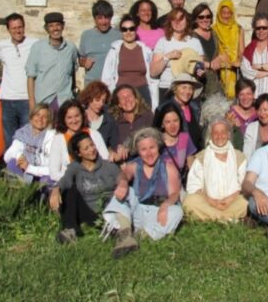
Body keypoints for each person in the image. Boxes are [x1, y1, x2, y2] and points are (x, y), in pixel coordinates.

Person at [103, 128, 183, 257]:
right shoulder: (134, 165)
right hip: (139, 210)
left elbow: (175, 194)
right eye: (143, 149)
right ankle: (125, 235)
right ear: (138, 152)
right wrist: (123, 183)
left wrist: (166, 205)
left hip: (157, 213)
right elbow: (123, 175)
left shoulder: (168, 167)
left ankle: (143, 235)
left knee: (177, 211)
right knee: (123, 193)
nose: (149, 153)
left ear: (158, 147)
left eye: (152, 147)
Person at [50, 131, 121, 244]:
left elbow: (123, 182)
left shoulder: (109, 166)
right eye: (86, 148)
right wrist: (56, 189)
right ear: (79, 153)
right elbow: (66, 180)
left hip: (108, 211)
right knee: (69, 191)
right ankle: (70, 230)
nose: (91, 149)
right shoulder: (75, 168)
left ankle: (113, 229)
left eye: (92, 145)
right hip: (88, 212)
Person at [0, 13, 38, 146]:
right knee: (10, 138)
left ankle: (27, 165)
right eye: (14, 28)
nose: (18, 31)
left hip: (27, 99)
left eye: (20, 27)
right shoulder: (2, 45)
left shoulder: (34, 43)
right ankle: (11, 166)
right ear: (8, 30)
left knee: (27, 138)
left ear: (24, 27)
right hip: (8, 99)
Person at [183, 118, 248, 222]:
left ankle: (212, 218)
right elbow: (193, 185)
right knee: (189, 201)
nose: (219, 136)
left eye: (223, 132)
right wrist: (211, 201)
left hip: (232, 202)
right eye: (215, 133)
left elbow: (244, 184)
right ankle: (225, 219)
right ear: (210, 136)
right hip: (208, 201)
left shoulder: (239, 157)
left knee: (245, 203)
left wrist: (230, 199)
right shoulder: (202, 157)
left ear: (228, 135)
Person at [101, 14, 158, 108]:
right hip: (122, 94)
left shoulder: (146, 51)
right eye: (124, 29)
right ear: (121, 32)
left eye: (131, 29)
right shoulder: (114, 51)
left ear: (136, 30)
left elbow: (153, 76)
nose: (128, 32)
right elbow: (106, 77)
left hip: (142, 93)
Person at [26, 12, 78, 114]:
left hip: (65, 101)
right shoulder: (38, 48)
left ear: (63, 26)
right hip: (44, 101)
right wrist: (32, 104)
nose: (55, 29)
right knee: (45, 130)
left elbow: (72, 73)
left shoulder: (71, 48)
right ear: (46, 29)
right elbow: (30, 77)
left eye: (58, 25)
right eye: (51, 26)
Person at [48, 99, 110, 184]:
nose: (74, 120)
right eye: (69, 117)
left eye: (77, 116)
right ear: (64, 119)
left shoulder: (94, 134)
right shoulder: (58, 140)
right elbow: (54, 173)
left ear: (82, 115)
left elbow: (105, 160)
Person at [150, 8, 204, 102]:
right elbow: (153, 72)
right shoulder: (163, 42)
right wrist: (167, 57)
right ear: (170, 22)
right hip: (168, 88)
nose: (177, 22)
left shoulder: (195, 43)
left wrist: (200, 72)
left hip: (189, 90)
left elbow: (201, 67)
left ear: (187, 21)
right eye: (174, 19)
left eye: (181, 19)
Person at [3, 103, 54, 184]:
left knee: (47, 180)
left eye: (44, 117)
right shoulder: (23, 133)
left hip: (42, 173)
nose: (40, 119)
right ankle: (16, 194)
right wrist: (21, 157)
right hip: (25, 171)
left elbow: (53, 169)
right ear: (31, 117)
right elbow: (7, 155)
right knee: (12, 163)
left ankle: (41, 196)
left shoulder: (52, 138)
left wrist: (30, 168)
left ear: (48, 121)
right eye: (37, 115)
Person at [154, 73, 204, 152]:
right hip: (176, 154)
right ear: (175, 89)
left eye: (190, 88)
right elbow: (155, 134)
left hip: (196, 153)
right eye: (184, 87)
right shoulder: (163, 108)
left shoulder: (195, 107)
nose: (187, 91)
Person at [241, 13, 268, 96]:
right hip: (253, 95)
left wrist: (258, 67)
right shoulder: (248, 50)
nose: (261, 31)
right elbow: (246, 73)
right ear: (255, 29)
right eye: (258, 28)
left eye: (264, 28)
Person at [79, 0, 121, 84]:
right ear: (94, 18)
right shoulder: (86, 35)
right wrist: (84, 62)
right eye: (100, 18)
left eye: (107, 18)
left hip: (113, 85)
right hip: (92, 85)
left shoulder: (119, 36)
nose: (104, 22)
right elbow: (80, 59)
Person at [109, 85, 154, 162]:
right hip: (122, 163)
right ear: (119, 104)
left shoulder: (147, 116)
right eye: (122, 98)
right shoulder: (115, 121)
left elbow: (149, 137)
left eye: (129, 96)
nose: (127, 100)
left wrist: (128, 147)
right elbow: (113, 143)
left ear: (136, 99)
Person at [154, 104, 197, 182]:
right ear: (162, 124)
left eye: (175, 120)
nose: (172, 126)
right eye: (168, 122)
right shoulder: (156, 141)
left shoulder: (184, 138)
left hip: (180, 185)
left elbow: (192, 164)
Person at [212, 0, 245, 99]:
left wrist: (238, 60)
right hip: (218, 69)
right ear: (219, 13)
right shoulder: (213, 29)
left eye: (229, 13)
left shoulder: (238, 29)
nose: (226, 16)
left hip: (234, 70)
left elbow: (242, 50)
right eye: (223, 13)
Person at [191, 3, 223, 98]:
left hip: (215, 83)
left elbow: (222, 52)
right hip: (199, 83)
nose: (205, 19)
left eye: (208, 16)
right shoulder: (191, 36)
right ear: (196, 19)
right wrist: (208, 65)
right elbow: (191, 59)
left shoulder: (214, 34)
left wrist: (219, 59)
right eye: (201, 17)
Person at [78, 81, 118, 155]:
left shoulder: (109, 120)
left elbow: (115, 144)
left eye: (103, 101)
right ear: (89, 98)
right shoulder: (79, 118)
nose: (101, 104)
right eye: (97, 100)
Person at [243, 94, 268, 160]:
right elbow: (247, 155)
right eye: (259, 110)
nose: (262, 113)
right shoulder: (251, 128)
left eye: (265, 110)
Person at [226, 77, 257, 148]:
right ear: (237, 96)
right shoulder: (230, 113)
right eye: (241, 94)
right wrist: (230, 126)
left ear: (253, 95)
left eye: (248, 94)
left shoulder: (258, 114)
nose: (245, 98)